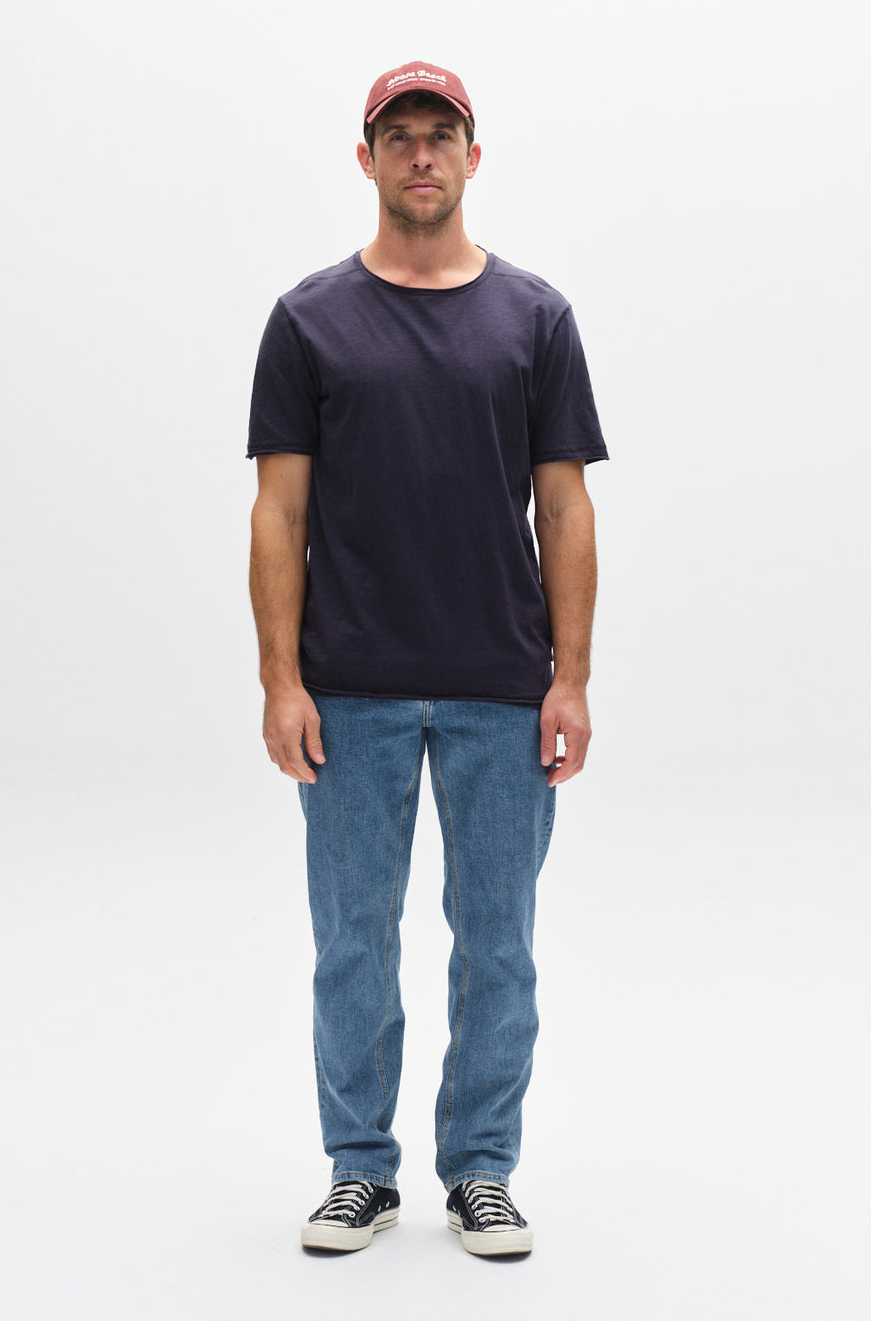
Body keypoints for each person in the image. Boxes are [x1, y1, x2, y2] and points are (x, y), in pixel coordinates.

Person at [247, 60, 608, 1256]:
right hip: (348, 688)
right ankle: (359, 1170)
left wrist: (570, 678)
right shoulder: (307, 320)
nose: (418, 155)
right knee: (354, 939)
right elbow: (277, 516)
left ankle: (481, 1170)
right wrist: (280, 681)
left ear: (471, 154)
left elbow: (563, 511)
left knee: (495, 940)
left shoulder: (535, 318)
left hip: (501, 691)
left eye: (437, 135)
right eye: (396, 136)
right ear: (365, 159)